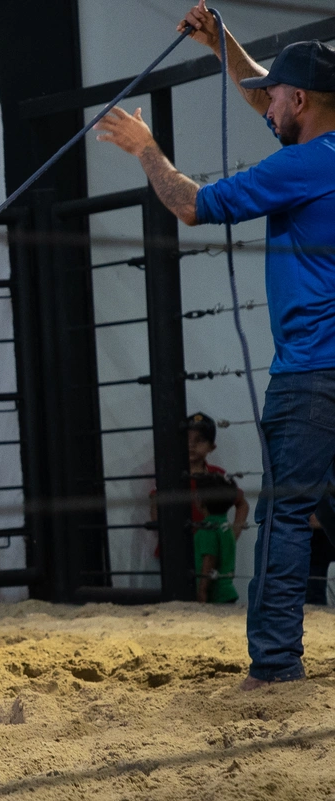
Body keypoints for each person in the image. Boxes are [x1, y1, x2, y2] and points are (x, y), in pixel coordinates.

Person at [95, 0, 335, 690]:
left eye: (277, 96)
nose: (268, 104)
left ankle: (276, 665)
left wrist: (146, 150)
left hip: (312, 374)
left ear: (300, 100)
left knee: (289, 514)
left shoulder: (300, 166)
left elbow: (192, 204)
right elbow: (267, 87)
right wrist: (221, 44)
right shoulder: (321, 143)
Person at [149, 412, 250, 546]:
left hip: (209, 549)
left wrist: (231, 536)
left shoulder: (217, 475)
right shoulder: (169, 474)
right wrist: (167, 539)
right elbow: (156, 503)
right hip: (175, 551)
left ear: (212, 447)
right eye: (186, 438)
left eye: (200, 440)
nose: (191, 445)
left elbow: (242, 504)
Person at [191, 472, 241, 604]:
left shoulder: (207, 528)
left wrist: (202, 591)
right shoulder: (226, 525)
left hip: (214, 595)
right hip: (227, 591)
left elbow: (209, 559)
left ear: (200, 501)